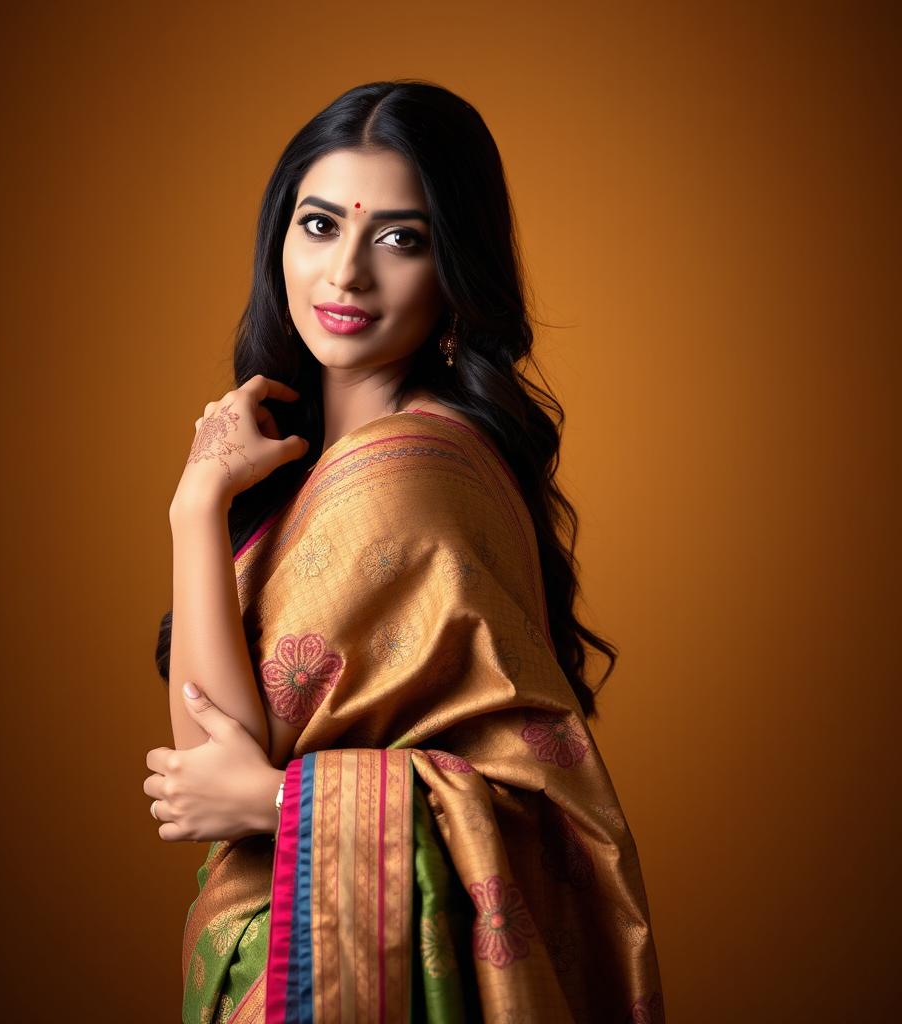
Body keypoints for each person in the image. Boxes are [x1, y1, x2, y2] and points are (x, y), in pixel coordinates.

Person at [144, 79, 665, 1023]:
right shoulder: (298, 471)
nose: (346, 273)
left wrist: (277, 810)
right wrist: (197, 502)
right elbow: (207, 755)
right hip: (275, 952)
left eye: (399, 238)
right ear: (278, 241)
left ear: (453, 270)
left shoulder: (415, 477)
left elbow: (534, 800)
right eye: (317, 225)